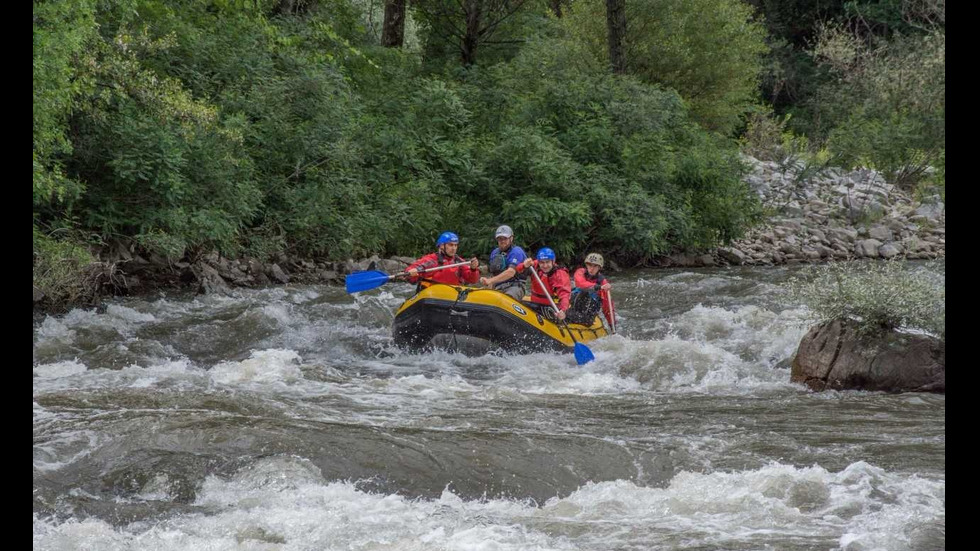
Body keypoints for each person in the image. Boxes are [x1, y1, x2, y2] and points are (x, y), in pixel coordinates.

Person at [406, 231, 480, 287]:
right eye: (450, 245)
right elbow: (410, 271)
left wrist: (473, 269)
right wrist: (412, 272)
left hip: (452, 296)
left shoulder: (458, 261)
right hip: (432, 296)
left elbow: (473, 280)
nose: (454, 248)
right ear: (442, 246)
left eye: (455, 245)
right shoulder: (431, 260)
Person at [517, 247, 571, 321]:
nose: (545, 266)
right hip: (535, 304)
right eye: (542, 262)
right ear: (539, 262)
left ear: (553, 261)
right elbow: (518, 270)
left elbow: (564, 294)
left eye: (547, 262)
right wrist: (524, 265)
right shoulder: (534, 265)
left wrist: (563, 310)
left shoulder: (560, 274)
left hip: (551, 306)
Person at [479, 225, 527, 300]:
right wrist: (488, 283)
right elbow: (493, 273)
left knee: (506, 300)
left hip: (515, 286)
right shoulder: (495, 252)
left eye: (505, 238)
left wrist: (490, 280)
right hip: (499, 286)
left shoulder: (517, 251)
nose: (502, 241)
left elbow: (510, 272)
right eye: (500, 239)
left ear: (511, 238)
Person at [569, 252, 614, 327]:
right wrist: (598, 287)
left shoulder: (603, 282)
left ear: (599, 267)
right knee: (581, 291)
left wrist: (612, 325)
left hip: (587, 318)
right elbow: (581, 283)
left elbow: (608, 307)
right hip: (574, 310)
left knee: (586, 294)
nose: (591, 268)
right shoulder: (580, 272)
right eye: (589, 265)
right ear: (586, 265)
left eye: (595, 266)